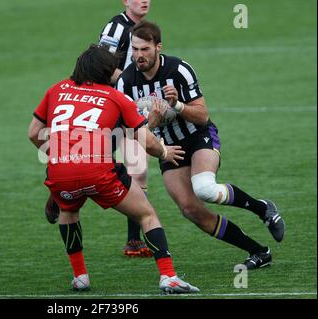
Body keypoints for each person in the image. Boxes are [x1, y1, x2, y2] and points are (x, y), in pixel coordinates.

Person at [28, 44, 199, 293]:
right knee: (146, 215)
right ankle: (168, 277)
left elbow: (34, 132)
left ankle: (81, 276)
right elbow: (147, 142)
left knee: (69, 210)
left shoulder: (56, 89)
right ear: (104, 71)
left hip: (59, 171)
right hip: (98, 171)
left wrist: (59, 155)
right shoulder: (115, 96)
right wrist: (164, 151)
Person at [116, 20, 285, 269]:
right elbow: (133, 135)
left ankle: (262, 208)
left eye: (145, 49)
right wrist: (151, 123)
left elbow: (203, 115)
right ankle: (259, 252)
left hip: (198, 136)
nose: (139, 55)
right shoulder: (126, 82)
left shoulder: (179, 70)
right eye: (135, 49)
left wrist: (177, 106)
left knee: (204, 188)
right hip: (169, 148)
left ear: (158, 47)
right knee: (190, 210)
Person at [45, 0, 154, 258]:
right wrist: (129, 82)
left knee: (138, 169)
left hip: (124, 106)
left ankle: (133, 241)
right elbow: (102, 66)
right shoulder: (117, 27)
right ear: (125, 2)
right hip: (107, 108)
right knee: (89, 161)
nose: (144, 1)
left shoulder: (144, 29)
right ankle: (58, 194)